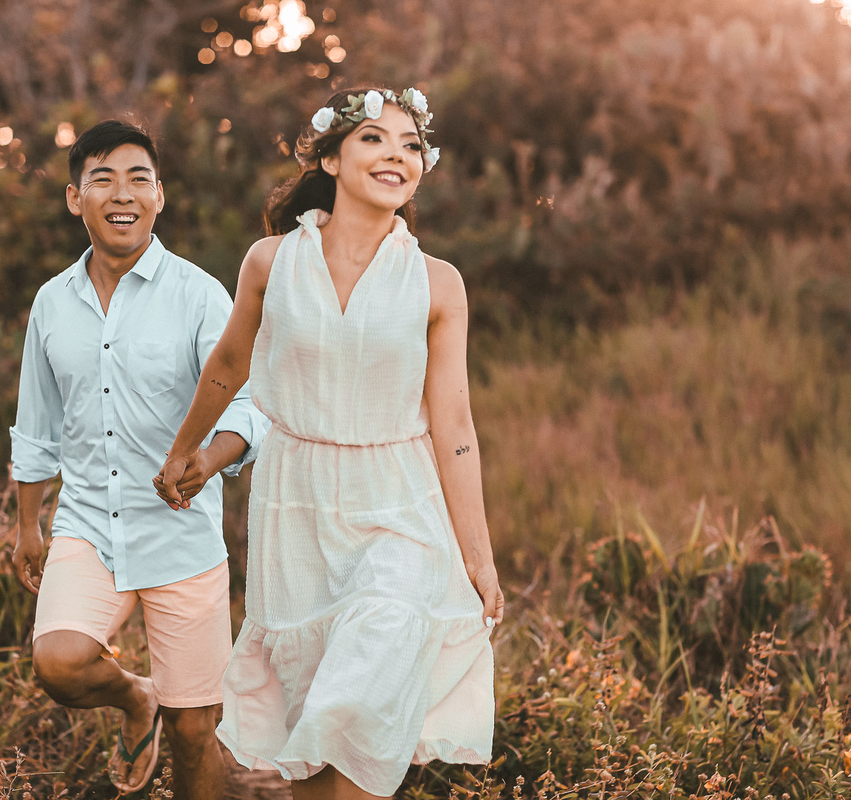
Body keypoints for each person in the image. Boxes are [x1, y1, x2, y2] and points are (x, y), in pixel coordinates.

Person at [155, 87, 505, 800]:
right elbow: (228, 365)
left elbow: (456, 426)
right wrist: (185, 449)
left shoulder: (438, 284)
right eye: (376, 139)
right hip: (298, 505)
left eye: (412, 145)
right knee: (315, 725)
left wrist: (477, 555)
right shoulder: (270, 261)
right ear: (332, 158)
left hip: (401, 505)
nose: (397, 156)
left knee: (373, 656)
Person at [9, 119, 268, 798]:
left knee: (193, 735)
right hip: (87, 524)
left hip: (181, 537)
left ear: (160, 196)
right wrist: (27, 523)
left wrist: (208, 461)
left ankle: (183, 730)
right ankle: (134, 700)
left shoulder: (200, 294)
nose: (122, 194)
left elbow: (248, 405)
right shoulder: (51, 303)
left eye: (138, 179)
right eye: (103, 178)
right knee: (58, 663)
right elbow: (36, 424)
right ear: (75, 198)